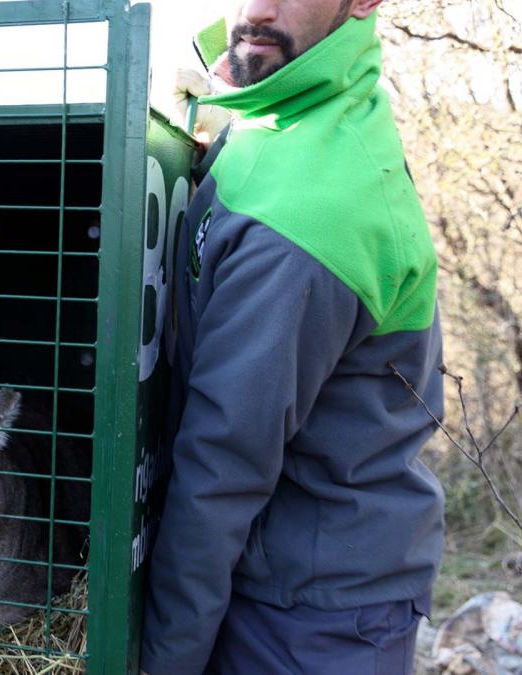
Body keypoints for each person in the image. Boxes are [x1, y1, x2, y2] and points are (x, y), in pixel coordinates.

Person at [141, 1, 444, 673]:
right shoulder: (304, 108)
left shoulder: (306, 223)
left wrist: (166, 659)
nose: (257, 8)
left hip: (308, 622)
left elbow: (220, 474)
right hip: (291, 576)